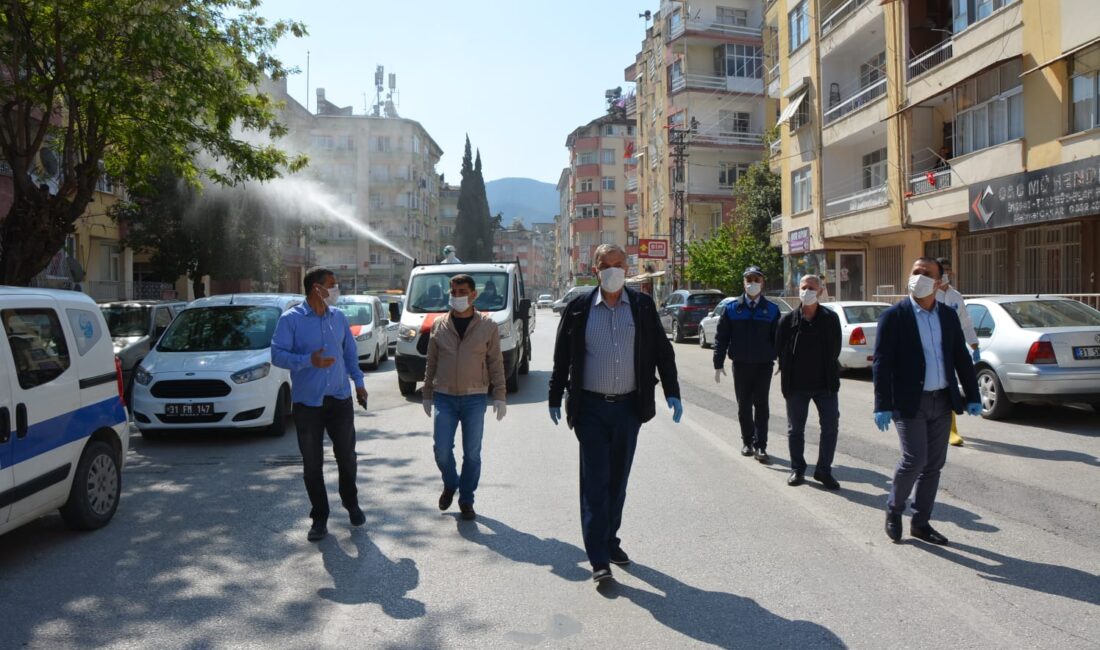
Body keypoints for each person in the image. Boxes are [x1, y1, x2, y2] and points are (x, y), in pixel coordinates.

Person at [548, 244, 683, 586]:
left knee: (618, 482)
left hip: (628, 408)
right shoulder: (579, 308)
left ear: (628, 267)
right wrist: (553, 395)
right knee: (595, 482)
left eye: (619, 265)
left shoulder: (641, 305)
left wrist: (672, 391)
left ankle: (610, 539)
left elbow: (662, 352)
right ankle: (598, 559)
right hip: (591, 408)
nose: (613, 270)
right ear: (595, 270)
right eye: (606, 265)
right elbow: (562, 357)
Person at [873, 257, 981, 546]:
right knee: (914, 459)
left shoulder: (947, 315)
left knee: (934, 465)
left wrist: (972, 395)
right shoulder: (894, 315)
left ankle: (921, 523)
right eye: (915, 272)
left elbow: (960, 356)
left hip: (942, 400)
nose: (918, 277)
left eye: (926, 273)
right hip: (909, 402)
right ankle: (894, 510)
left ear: (939, 281)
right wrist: (882, 403)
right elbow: (882, 363)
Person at [271, 267, 370, 542]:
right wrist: (307, 361)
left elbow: (350, 353)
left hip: (339, 398)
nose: (336, 290)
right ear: (316, 288)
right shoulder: (290, 320)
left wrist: (359, 383)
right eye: (332, 285)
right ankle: (320, 517)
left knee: (347, 457)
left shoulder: (338, 317)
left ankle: (351, 503)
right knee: (312, 463)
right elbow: (277, 355)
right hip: (308, 403)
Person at [422, 274, 508, 521]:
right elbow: (432, 361)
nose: (456, 296)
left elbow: (495, 363)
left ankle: (466, 500)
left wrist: (500, 395)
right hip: (444, 397)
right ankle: (451, 483)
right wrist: (427, 393)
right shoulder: (439, 324)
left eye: (462, 292)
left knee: (472, 453)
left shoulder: (488, 326)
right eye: (453, 291)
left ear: (473, 295)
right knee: (441, 450)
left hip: (474, 398)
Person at [775, 274, 842, 489]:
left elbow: (836, 349)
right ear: (798, 290)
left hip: (826, 386)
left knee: (830, 428)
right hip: (796, 386)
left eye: (812, 288)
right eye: (804, 287)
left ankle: (824, 470)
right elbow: (780, 349)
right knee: (796, 430)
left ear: (821, 291)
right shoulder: (788, 321)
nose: (807, 291)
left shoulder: (830, 319)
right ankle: (797, 469)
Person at [713, 265, 781, 463]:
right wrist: (718, 363)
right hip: (741, 365)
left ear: (763, 282)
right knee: (744, 405)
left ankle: (761, 446)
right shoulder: (733, 309)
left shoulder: (772, 310)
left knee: (762, 406)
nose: (752, 283)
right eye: (749, 280)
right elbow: (721, 338)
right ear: (743, 282)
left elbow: (779, 339)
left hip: (763, 365)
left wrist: (782, 361)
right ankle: (747, 441)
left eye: (756, 280)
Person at [936, 257, 980, 447]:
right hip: (935, 346)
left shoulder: (956, 296)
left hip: (954, 346)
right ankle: (942, 426)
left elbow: (965, 322)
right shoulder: (929, 294)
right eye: (942, 270)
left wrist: (974, 344)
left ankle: (951, 429)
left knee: (951, 383)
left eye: (948, 270)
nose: (946, 274)